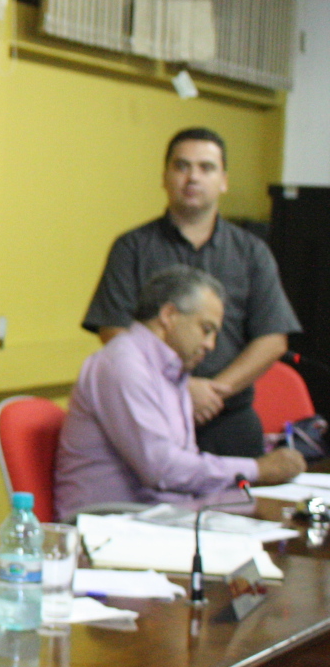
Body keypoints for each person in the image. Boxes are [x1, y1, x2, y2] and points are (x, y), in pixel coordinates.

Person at [82, 128, 300, 458]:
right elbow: (114, 330)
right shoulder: (132, 248)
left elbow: (272, 339)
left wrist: (213, 392)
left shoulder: (251, 252)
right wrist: (180, 391)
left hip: (227, 416)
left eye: (206, 167)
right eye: (182, 166)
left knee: (247, 491)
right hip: (148, 416)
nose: (193, 177)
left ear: (224, 181)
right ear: (164, 177)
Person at [57, 266, 304, 517]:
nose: (210, 345)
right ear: (169, 315)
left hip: (159, 514)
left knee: (281, 514)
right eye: (206, 329)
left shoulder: (171, 371)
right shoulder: (123, 365)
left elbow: (181, 474)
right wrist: (257, 469)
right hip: (110, 522)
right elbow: (163, 470)